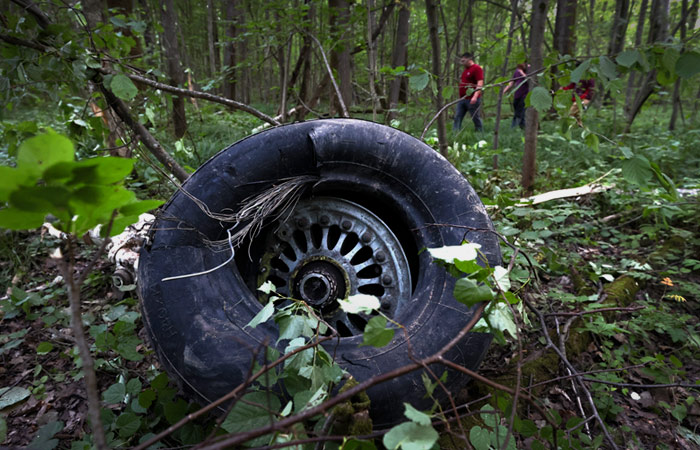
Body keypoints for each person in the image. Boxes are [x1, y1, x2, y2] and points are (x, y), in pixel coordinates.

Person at [453, 51, 484, 132]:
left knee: (475, 117)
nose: (462, 63)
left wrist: (475, 96)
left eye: (463, 61)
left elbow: (480, 83)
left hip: (472, 99)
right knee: (458, 116)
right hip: (462, 99)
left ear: (469, 59)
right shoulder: (465, 70)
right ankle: (455, 133)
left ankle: (480, 132)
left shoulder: (476, 68)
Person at [503, 63, 529, 129]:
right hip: (517, 95)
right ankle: (522, 127)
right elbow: (512, 82)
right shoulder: (517, 72)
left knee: (520, 112)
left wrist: (522, 73)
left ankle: (514, 127)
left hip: (525, 95)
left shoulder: (529, 70)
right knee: (517, 110)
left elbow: (529, 80)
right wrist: (504, 90)